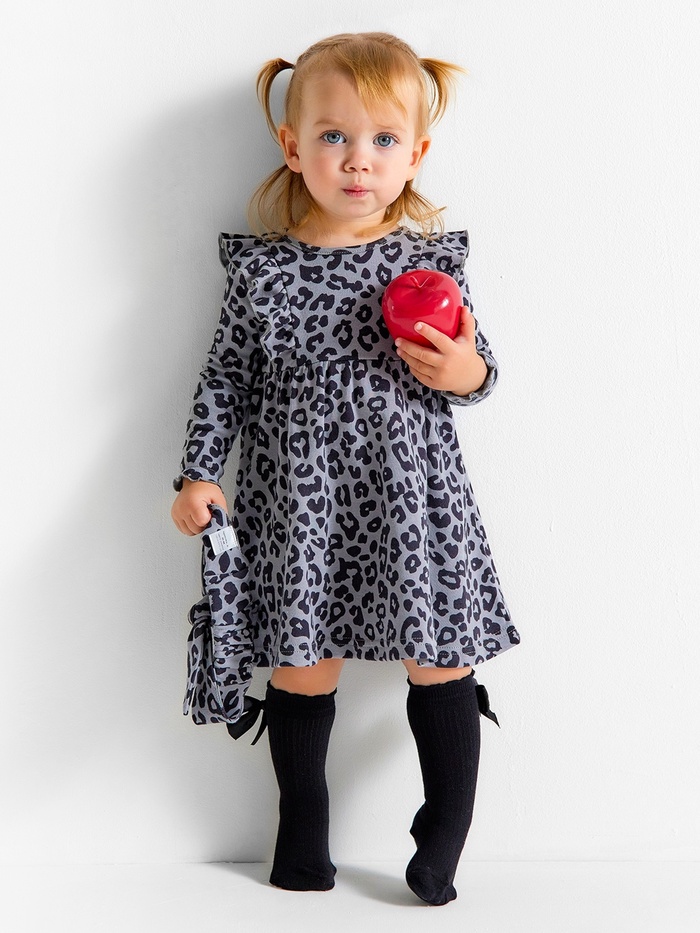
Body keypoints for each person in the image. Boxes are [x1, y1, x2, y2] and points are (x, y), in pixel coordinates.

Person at [171, 31, 521, 907]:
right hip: (301, 502)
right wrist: (199, 472)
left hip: (412, 496)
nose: (358, 159)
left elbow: (479, 373)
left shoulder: (428, 264)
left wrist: (464, 370)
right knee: (303, 661)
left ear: (415, 154)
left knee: (438, 655)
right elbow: (225, 378)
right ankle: (303, 824)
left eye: (382, 140)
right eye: (334, 136)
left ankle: (444, 829)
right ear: (293, 147)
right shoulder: (264, 272)